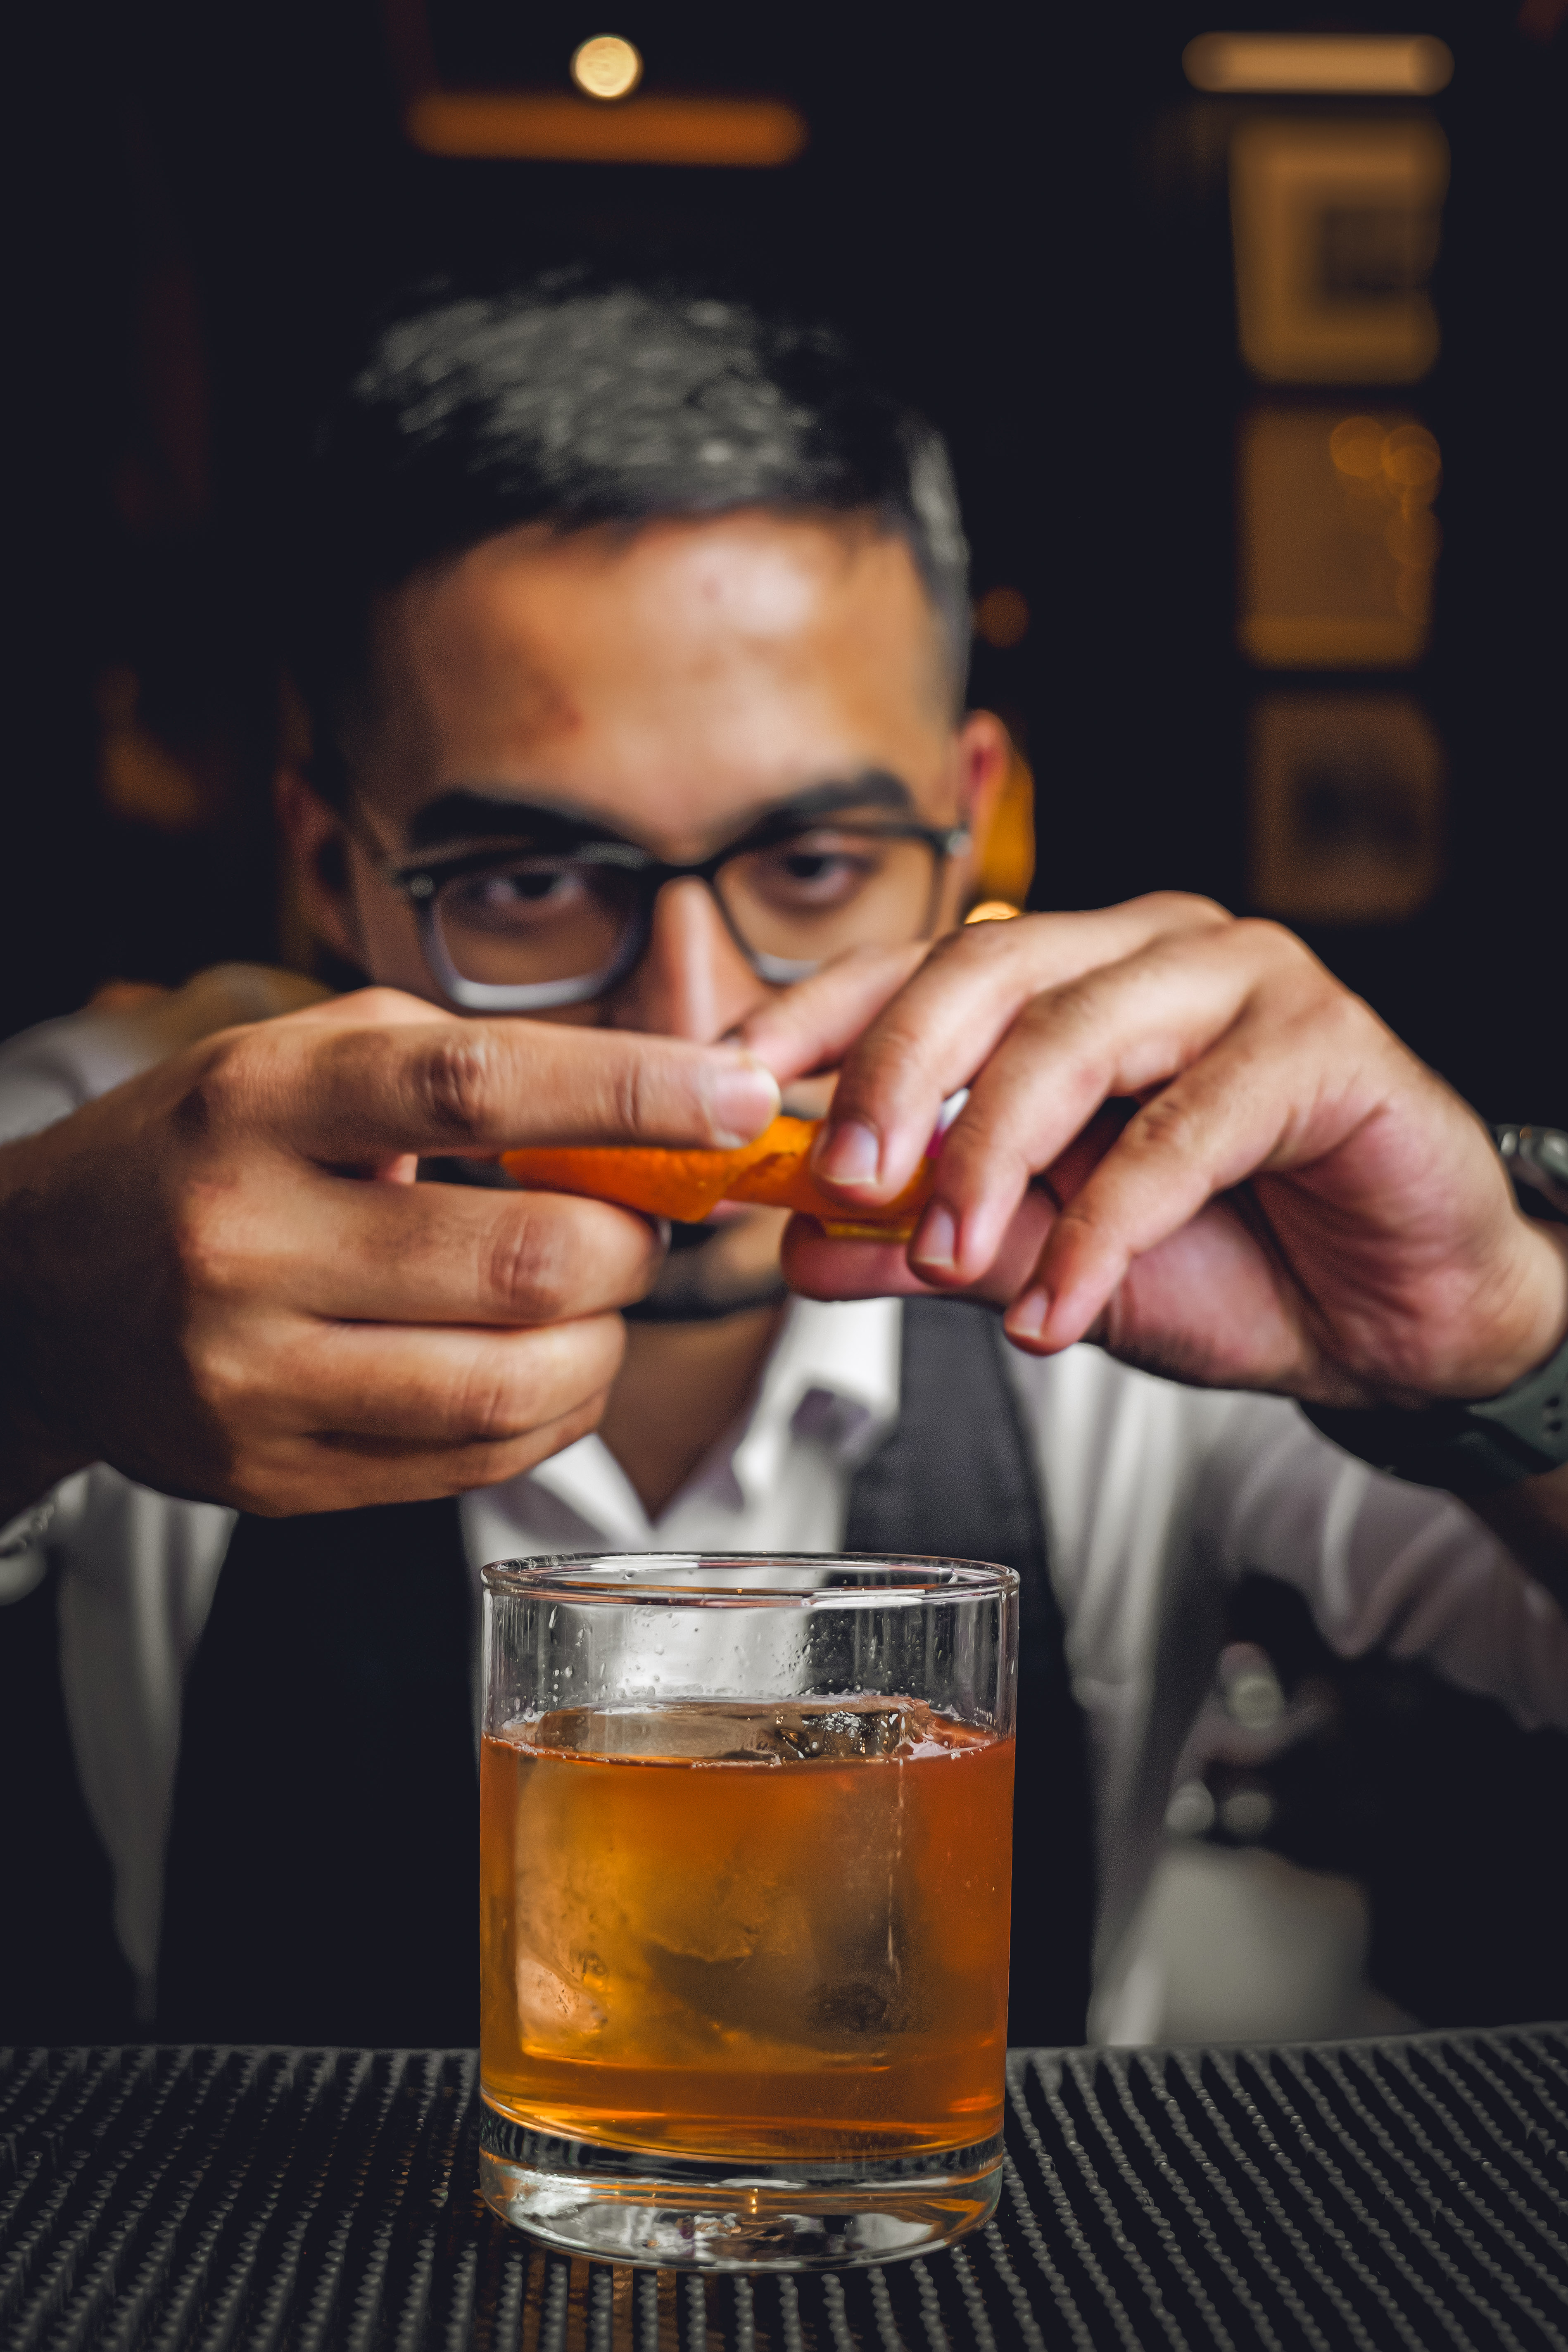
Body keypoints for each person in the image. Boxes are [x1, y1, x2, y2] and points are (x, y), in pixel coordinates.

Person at [1, 272, 1564, 2048]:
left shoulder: (1156, 1202)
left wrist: (1496, 1332)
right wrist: (25, 1342)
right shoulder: (112, 1174)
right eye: (524, 880)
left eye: (811, 865)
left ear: (970, 817)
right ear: (327, 863)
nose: (693, 1026)